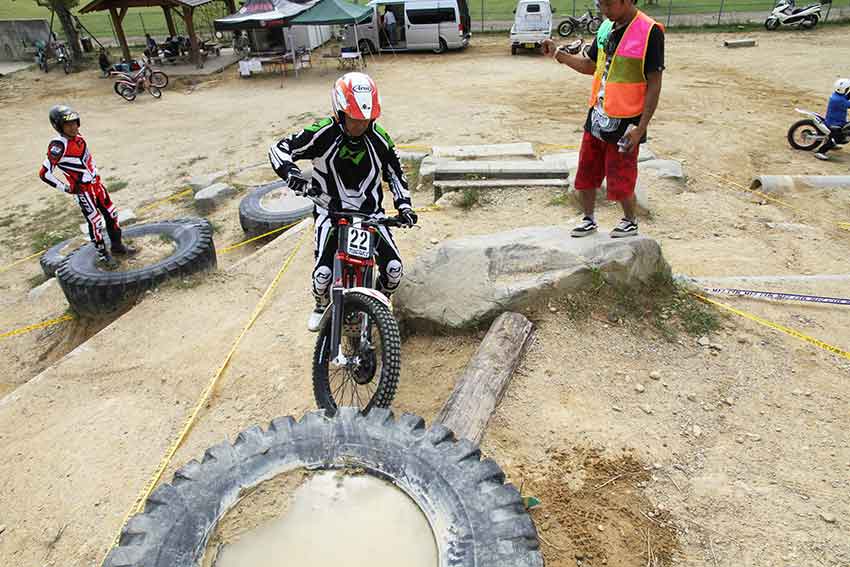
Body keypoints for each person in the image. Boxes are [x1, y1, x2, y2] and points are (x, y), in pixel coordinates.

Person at [269, 73, 417, 331]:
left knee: (394, 270)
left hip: (371, 215)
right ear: (339, 111)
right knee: (322, 277)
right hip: (330, 211)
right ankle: (320, 302)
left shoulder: (380, 138)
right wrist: (291, 174)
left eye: (366, 120)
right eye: (354, 120)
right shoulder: (322, 132)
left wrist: (404, 205)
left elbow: (395, 172)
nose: (360, 125)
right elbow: (279, 149)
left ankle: (380, 302)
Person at [543, 0, 664, 238]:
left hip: (626, 122)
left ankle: (630, 221)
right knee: (586, 172)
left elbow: (655, 84)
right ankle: (588, 219)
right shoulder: (605, 28)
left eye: (609, 4)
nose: (604, 10)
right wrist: (558, 54)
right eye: (601, 4)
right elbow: (590, 66)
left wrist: (641, 128)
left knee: (621, 175)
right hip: (597, 115)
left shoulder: (650, 31)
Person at [38, 105, 135, 267]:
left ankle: (118, 247)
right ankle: (103, 255)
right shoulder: (58, 146)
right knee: (95, 222)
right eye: (67, 124)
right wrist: (66, 188)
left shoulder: (79, 137)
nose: (73, 127)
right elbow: (44, 173)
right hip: (83, 190)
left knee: (112, 214)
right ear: (58, 126)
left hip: (96, 185)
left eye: (75, 122)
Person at [814, 78, 850, 161]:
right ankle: (820, 152)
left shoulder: (837, 95)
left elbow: (847, 97)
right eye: (848, 89)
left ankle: (831, 142)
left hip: (837, 120)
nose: (848, 90)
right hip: (834, 123)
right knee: (838, 137)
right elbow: (848, 103)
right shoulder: (839, 100)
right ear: (843, 89)